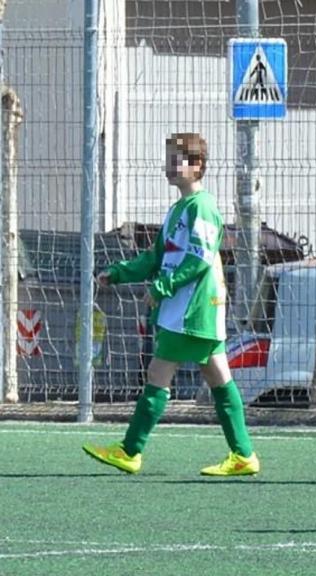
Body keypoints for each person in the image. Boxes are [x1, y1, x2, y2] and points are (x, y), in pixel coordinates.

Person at [83, 133, 260, 476]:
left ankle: (130, 450)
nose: (168, 165)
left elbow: (200, 258)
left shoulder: (202, 206)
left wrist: (163, 287)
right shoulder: (178, 209)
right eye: (168, 158)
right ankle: (243, 455)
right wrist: (119, 273)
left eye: (176, 159)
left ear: (197, 166)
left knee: (159, 373)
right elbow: (156, 257)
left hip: (193, 308)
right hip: (191, 309)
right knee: (218, 376)